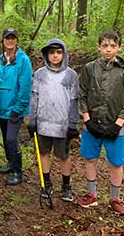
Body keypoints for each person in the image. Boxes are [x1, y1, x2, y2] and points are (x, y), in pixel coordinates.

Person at [76, 30, 124, 216]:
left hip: (116, 124)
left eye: (112, 46)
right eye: (105, 46)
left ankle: (115, 199)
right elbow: (82, 94)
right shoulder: (89, 68)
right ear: (99, 47)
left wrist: (118, 124)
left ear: (119, 47)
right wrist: (87, 119)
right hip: (92, 123)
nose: (108, 49)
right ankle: (91, 195)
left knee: (116, 162)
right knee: (90, 158)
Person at [28, 38, 79, 200]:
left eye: (58, 52)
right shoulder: (39, 74)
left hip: (62, 125)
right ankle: (47, 183)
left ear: (64, 54)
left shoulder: (71, 75)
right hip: (43, 123)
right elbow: (34, 97)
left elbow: (74, 100)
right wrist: (32, 120)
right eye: (52, 52)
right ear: (46, 55)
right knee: (44, 153)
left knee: (64, 156)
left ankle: (66, 186)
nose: (55, 56)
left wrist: (72, 123)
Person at [0, 28, 33, 185]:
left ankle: (18, 171)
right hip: (1, 107)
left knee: (11, 139)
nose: (10, 41)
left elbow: (25, 87)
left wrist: (18, 109)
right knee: (5, 137)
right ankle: (10, 163)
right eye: (7, 38)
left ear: (17, 41)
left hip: (15, 109)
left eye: (13, 38)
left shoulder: (23, 60)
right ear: (3, 41)